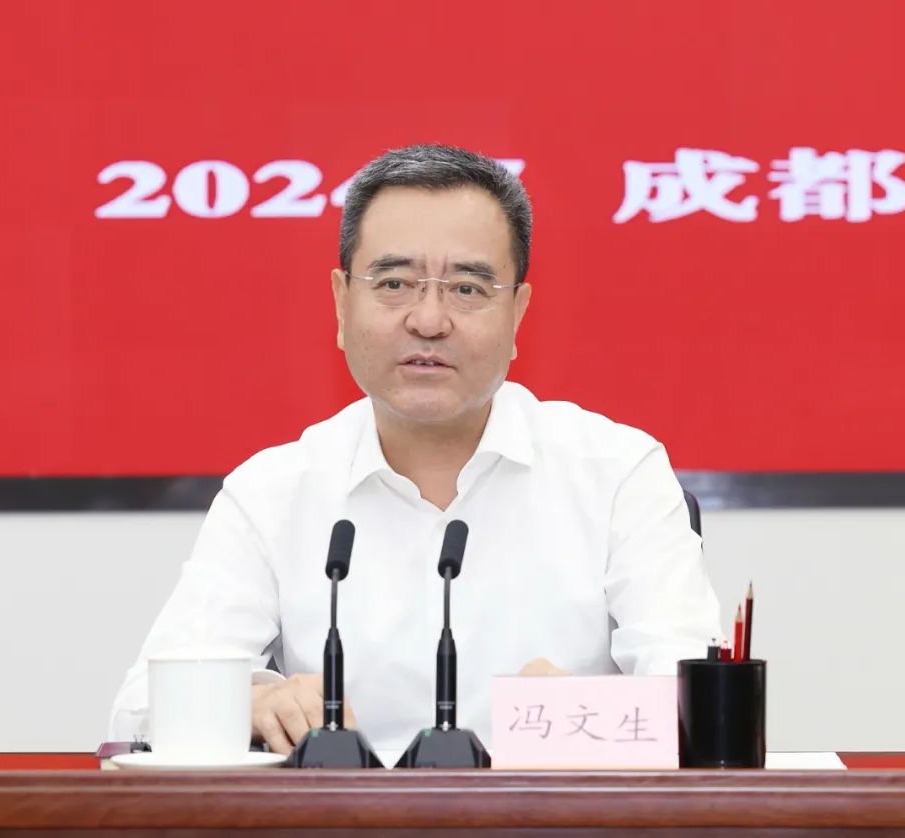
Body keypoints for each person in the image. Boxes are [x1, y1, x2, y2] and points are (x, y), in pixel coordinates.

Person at [109, 144, 721, 757]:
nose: (429, 321)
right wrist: (250, 702)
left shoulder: (619, 475)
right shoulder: (272, 491)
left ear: (518, 314)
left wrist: (579, 716)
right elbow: (136, 711)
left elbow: (701, 708)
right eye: (395, 284)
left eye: (467, 288)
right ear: (341, 304)